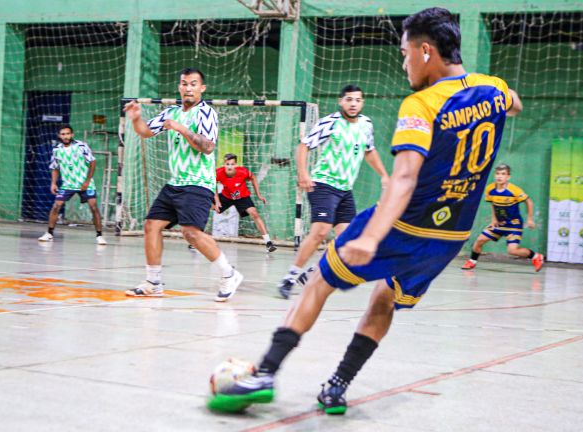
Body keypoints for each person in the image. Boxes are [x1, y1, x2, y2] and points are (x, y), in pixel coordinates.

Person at [208, 7, 523, 415]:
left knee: (319, 281)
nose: (404, 61)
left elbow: (405, 178)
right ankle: (336, 388)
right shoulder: (493, 88)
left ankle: (265, 373)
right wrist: (495, 105)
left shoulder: (422, 104)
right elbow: (513, 104)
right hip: (449, 239)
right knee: (383, 299)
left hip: (405, 226)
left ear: (426, 51)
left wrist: (372, 237)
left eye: (405, 52)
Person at [123, 67, 243, 302]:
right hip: (175, 182)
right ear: (179, 86)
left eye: (193, 84)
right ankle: (153, 282)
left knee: (191, 233)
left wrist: (181, 128)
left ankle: (229, 274)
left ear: (202, 88)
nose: (188, 88)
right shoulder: (171, 111)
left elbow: (207, 146)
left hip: (198, 183)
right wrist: (137, 119)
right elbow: (146, 132)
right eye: (184, 83)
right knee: (151, 226)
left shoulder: (206, 113)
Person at [278, 84, 389, 299]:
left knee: (346, 241)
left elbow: (369, 151)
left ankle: (311, 274)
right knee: (320, 231)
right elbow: (303, 146)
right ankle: (289, 278)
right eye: (349, 99)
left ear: (362, 103)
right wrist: (303, 173)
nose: (353, 103)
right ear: (341, 102)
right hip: (323, 184)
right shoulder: (330, 123)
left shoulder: (366, 125)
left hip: (345, 190)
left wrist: (385, 175)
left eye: (357, 100)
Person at [462, 163, 543, 271]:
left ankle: (536, 257)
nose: (499, 176)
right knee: (480, 240)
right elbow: (493, 204)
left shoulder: (514, 190)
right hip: (499, 224)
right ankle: (472, 261)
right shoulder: (490, 189)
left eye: (503, 174)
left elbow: (529, 202)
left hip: (513, 225)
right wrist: (494, 218)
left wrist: (530, 219)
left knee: (512, 251)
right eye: (498, 174)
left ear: (508, 177)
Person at [38, 125, 106, 245]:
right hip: (67, 184)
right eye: (63, 134)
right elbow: (55, 167)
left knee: (94, 207)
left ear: (72, 134)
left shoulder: (81, 146)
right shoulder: (57, 150)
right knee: (56, 206)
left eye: (68, 134)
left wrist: (87, 181)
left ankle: (99, 235)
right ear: (59, 136)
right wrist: (53, 183)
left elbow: (92, 162)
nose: (66, 136)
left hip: (85, 184)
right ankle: (49, 233)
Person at [214, 153, 277, 252]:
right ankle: (196, 238)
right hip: (226, 196)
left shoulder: (243, 172)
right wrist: (217, 201)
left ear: (236, 165)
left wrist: (259, 195)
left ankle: (268, 243)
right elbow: (213, 184)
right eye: (227, 164)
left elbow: (253, 178)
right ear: (224, 164)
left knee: (254, 214)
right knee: (204, 205)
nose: (229, 166)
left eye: (232, 164)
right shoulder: (218, 172)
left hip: (242, 197)